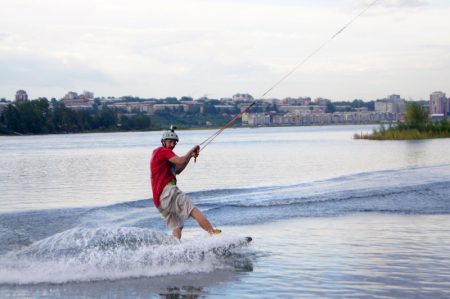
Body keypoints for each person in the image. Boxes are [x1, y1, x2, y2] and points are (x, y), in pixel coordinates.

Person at [150, 125, 221, 240]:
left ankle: (176, 248)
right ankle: (213, 233)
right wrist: (191, 151)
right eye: (169, 142)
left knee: (177, 225)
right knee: (193, 209)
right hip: (168, 192)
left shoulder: (163, 156)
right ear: (163, 142)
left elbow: (178, 170)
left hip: (159, 201)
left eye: (174, 143)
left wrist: (191, 156)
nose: (172, 145)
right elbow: (181, 160)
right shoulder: (162, 151)